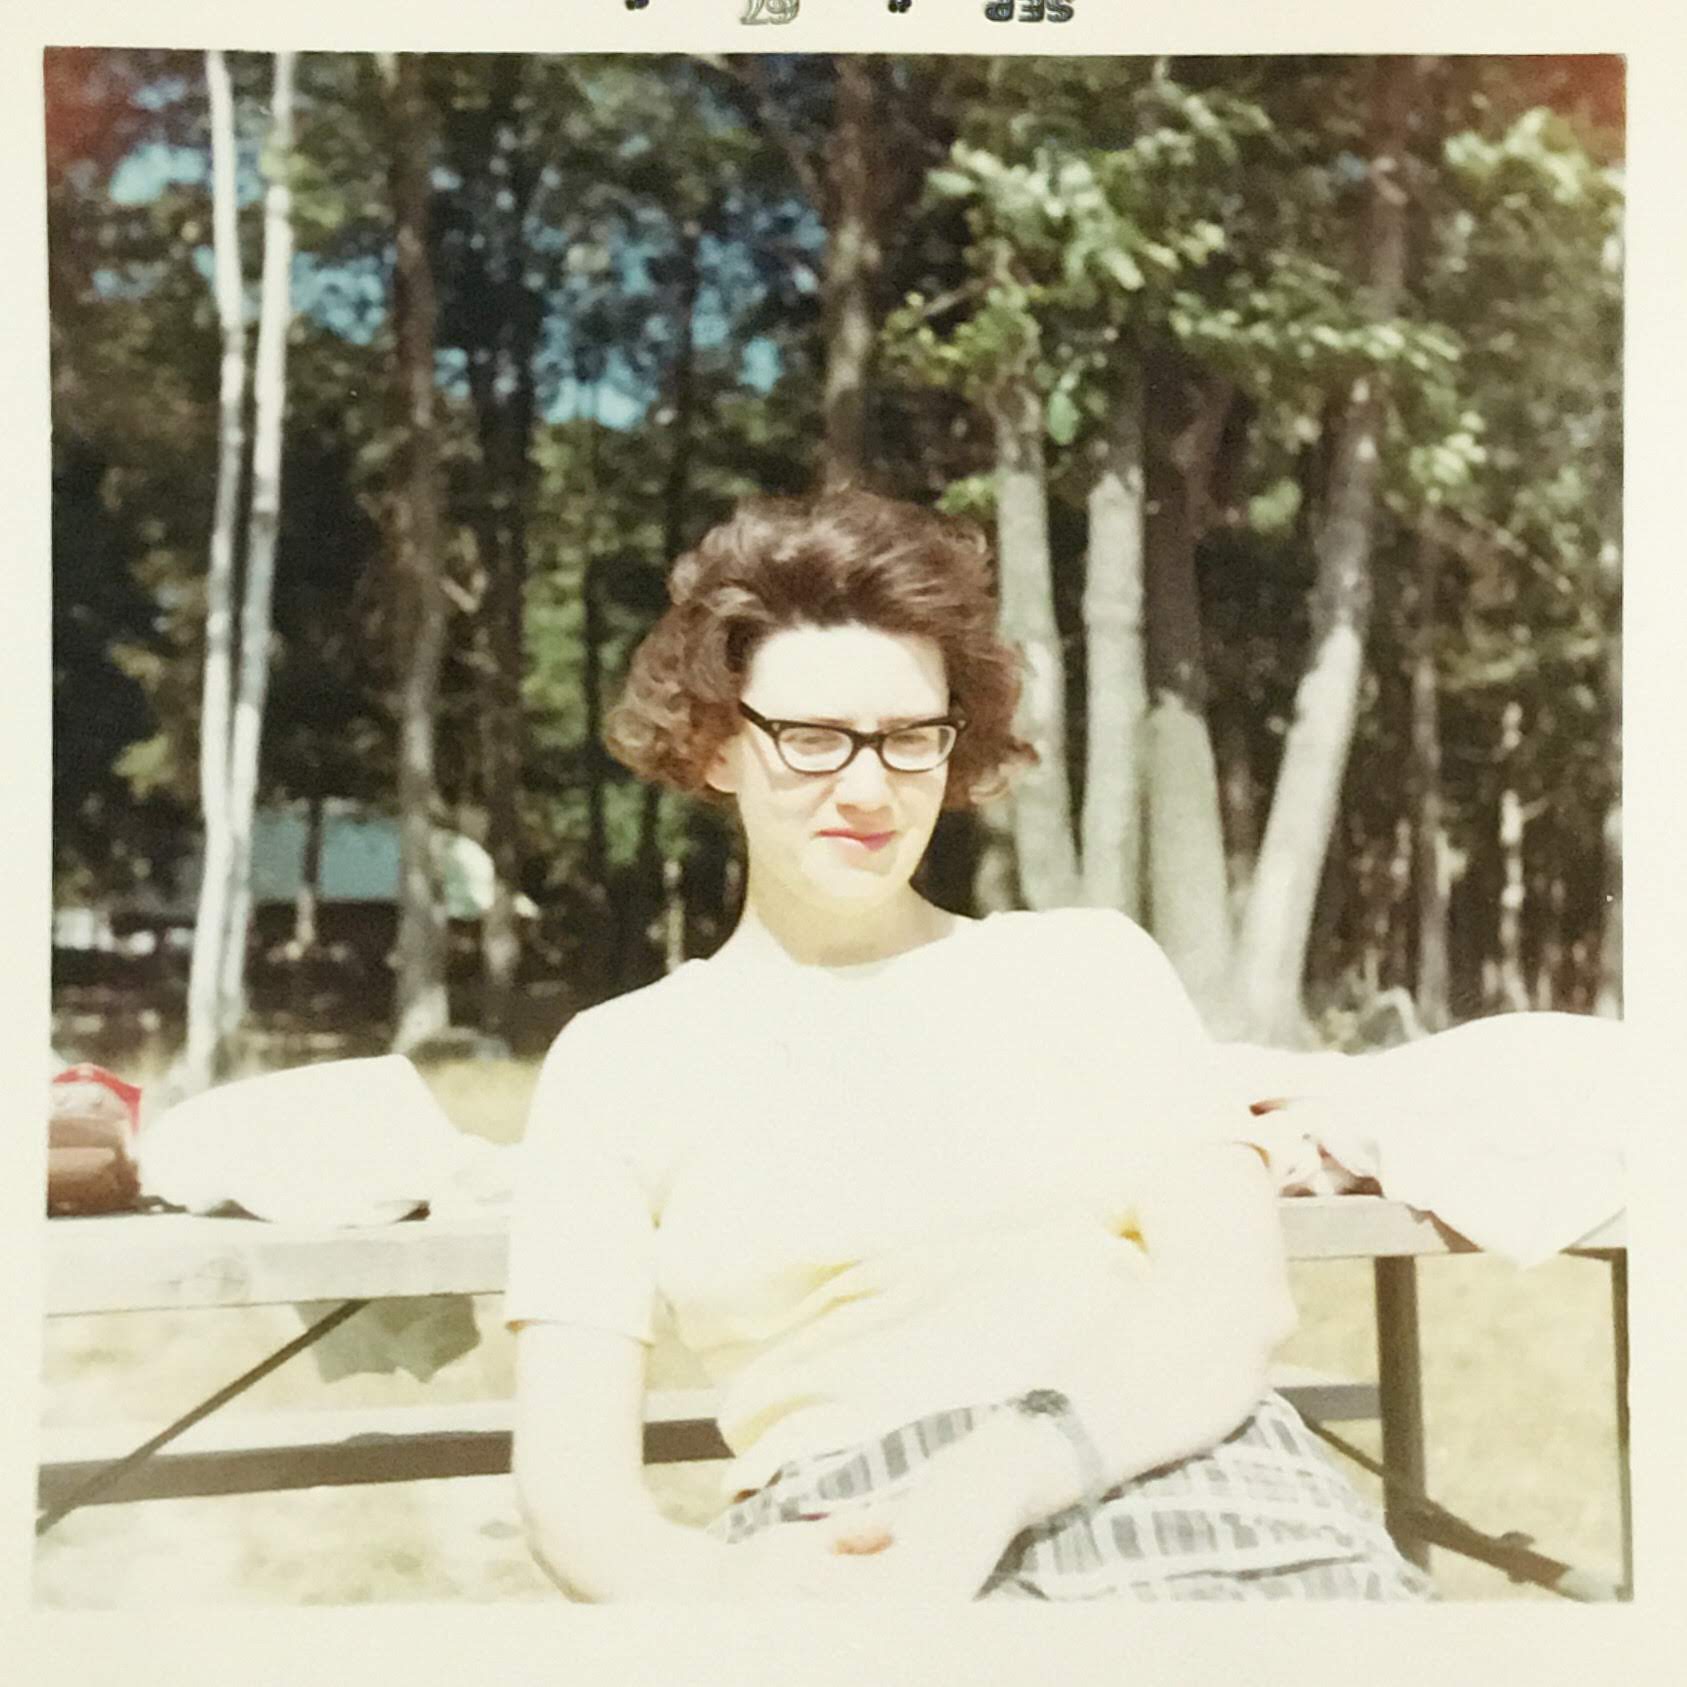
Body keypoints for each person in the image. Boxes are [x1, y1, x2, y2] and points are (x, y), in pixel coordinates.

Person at [505, 487, 1433, 1603]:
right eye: (810, 739)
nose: (867, 788)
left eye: (909, 738)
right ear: (715, 745)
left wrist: (992, 1482)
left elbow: (1232, 1304)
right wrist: (734, 1596)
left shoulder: (1087, 968)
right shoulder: (621, 1062)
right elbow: (573, 1500)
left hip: (1201, 1489)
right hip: (857, 1542)